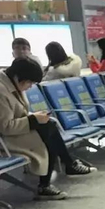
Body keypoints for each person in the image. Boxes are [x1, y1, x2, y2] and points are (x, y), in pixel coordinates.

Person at [0, 58, 95, 201]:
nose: (30, 87)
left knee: (48, 127)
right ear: (18, 77)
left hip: (17, 133)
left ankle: (58, 173)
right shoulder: (2, 92)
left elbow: (19, 114)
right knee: (47, 133)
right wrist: (33, 120)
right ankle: (63, 168)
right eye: (30, 82)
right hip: (5, 140)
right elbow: (5, 127)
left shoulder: (13, 83)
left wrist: (35, 117)